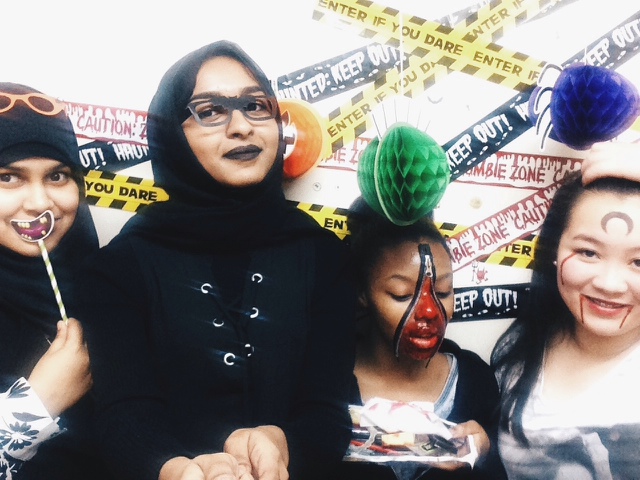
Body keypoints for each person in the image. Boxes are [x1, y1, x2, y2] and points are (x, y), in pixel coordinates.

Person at [73, 40, 356, 480]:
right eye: (210, 111)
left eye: (255, 106)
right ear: (171, 133)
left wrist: (281, 446)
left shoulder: (324, 256)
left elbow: (330, 407)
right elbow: (124, 412)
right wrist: (175, 470)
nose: (241, 126)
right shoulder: (119, 269)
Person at [491, 144, 640, 479]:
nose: (609, 284)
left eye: (639, 261)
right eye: (588, 252)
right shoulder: (519, 347)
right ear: (555, 250)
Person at [334, 197, 506, 480]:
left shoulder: (475, 381)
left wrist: (485, 450)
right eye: (401, 295)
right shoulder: (327, 383)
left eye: (443, 292)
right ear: (363, 293)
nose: (428, 312)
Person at [0, 83, 112, 479]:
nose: (39, 203)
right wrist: (36, 405)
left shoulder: (112, 286)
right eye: (9, 177)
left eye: (57, 176)